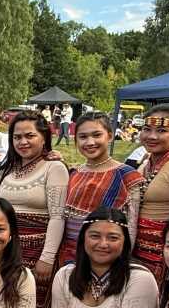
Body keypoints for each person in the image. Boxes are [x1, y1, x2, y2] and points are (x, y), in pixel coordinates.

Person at [0, 111, 68, 308]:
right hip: (4, 248)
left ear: (44, 137)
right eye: (17, 137)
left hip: (38, 249)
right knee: (5, 305)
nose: (23, 142)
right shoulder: (5, 170)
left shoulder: (54, 168)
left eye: (29, 136)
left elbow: (57, 216)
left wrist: (47, 257)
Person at [58, 111, 144, 266]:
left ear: (110, 136)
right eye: (83, 137)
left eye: (97, 135)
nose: (90, 142)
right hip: (69, 257)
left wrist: (121, 262)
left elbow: (131, 226)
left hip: (107, 257)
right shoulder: (73, 173)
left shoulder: (126, 175)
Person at [132, 105, 169, 284]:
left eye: (162, 131)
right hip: (136, 248)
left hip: (161, 252)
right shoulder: (144, 164)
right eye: (147, 129)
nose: (152, 136)